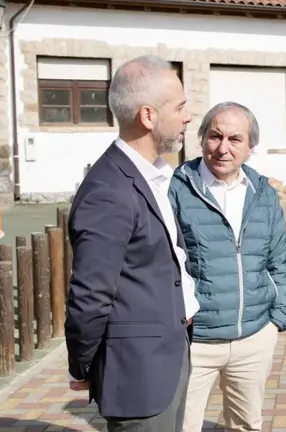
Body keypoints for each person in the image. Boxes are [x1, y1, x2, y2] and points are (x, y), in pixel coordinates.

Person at [64, 55, 199, 432]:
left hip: (168, 357)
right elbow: (90, 295)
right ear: (148, 116)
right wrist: (84, 365)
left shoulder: (151, 175)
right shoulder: (109, 190)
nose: (189, 116)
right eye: (180, 105)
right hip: (140, 374)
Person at [168, 101, 286, 432]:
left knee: (246, 426)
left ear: (250, 147)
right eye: (215, 136)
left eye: (235, 139)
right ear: (202, 139)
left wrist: (277, 318)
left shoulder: (263, 193)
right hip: (195, 340)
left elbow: (278, 257)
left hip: (253, 336)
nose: (223, 148)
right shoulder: (175, 189)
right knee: (182, 426)